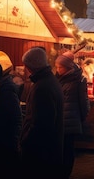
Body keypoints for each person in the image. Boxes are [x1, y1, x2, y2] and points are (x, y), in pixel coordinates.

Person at [20, 46, 65, 179]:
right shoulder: (50, 81)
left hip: (41, 151)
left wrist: (25, 140)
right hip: (50, 148)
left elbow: (40, 124)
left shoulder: (42, 87)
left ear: (30, 67)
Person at [55, 51, 90, 179]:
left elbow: (83, 100)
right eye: (57, 67)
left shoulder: (78, 80)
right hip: (59, 119)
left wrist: (83, 116)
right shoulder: (58, 79)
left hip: (72, 118)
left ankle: (66, 173)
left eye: (60, 67)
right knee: (60, 148)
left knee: (68, 148)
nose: (58, 70)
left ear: (68, 67)